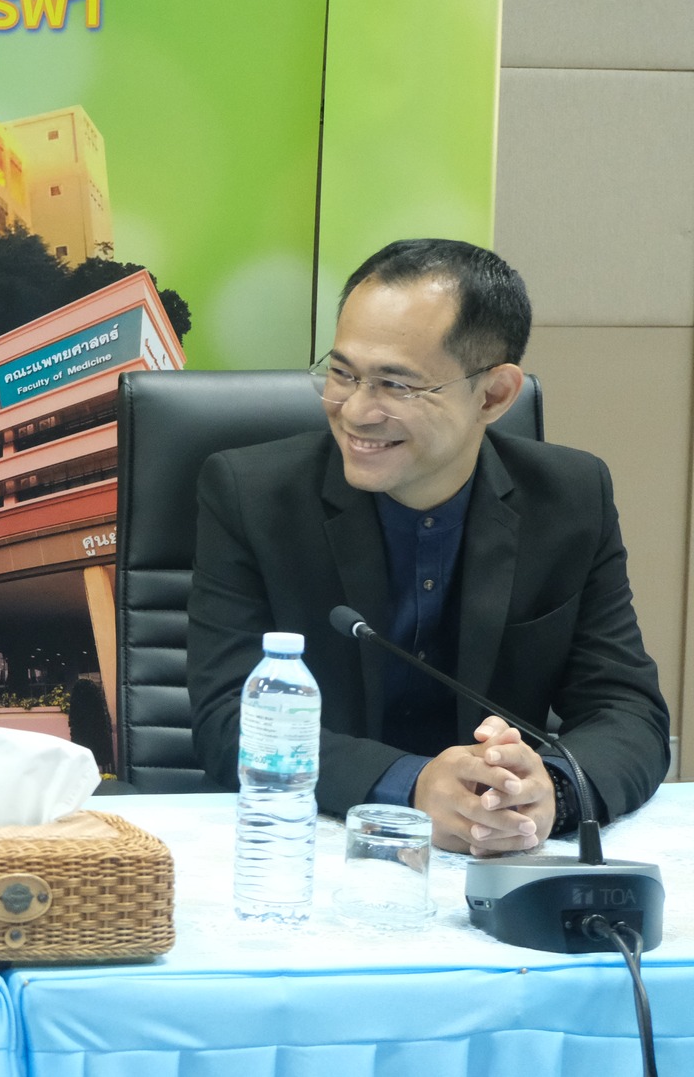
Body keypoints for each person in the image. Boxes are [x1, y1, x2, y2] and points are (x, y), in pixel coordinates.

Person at [188, 239, 669, 856]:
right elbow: (229, 719)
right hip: (311, 845)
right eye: (343, 373)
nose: (356, 411)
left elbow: (627, 709)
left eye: (397, 385)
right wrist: (412, 786)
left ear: (494, 395)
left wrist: (551, 791)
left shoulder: (571, 497)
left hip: (504, 851)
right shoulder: (250, 495)